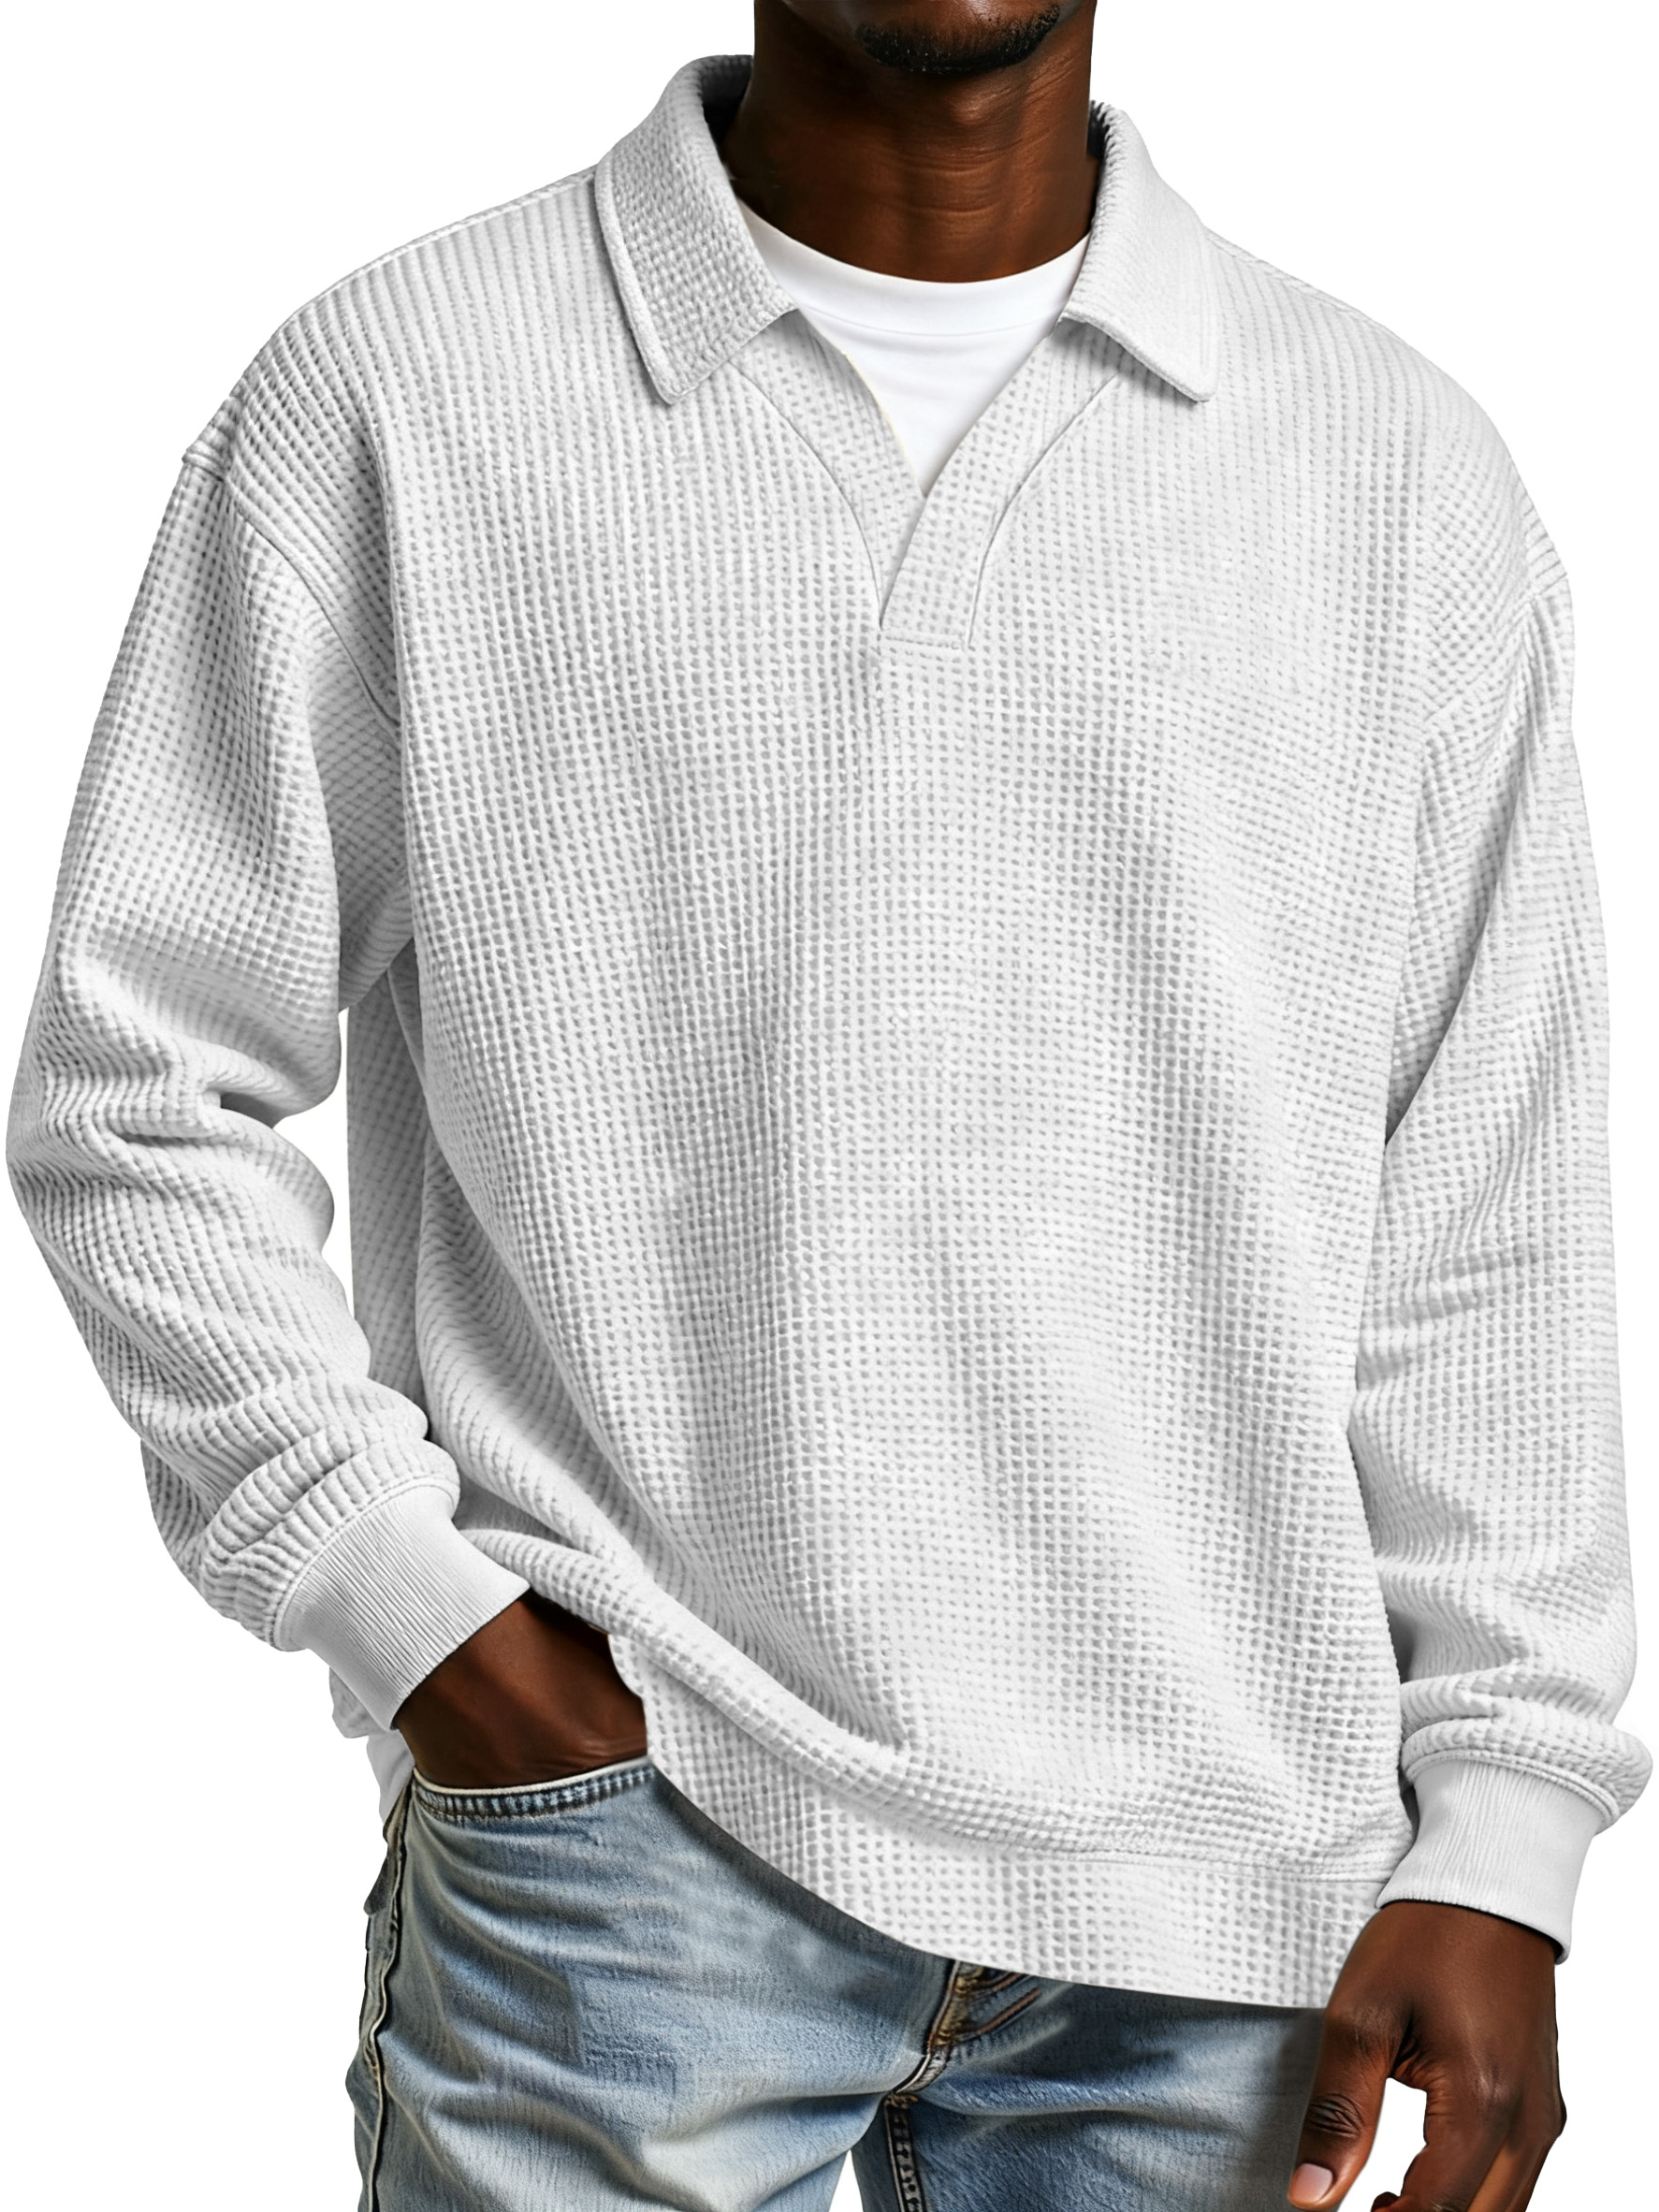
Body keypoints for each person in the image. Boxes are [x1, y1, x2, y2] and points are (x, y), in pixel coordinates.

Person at [7, 3, 1647, 2207]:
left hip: (1233, 1907)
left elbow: (1484, 1219)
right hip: (631, 1855)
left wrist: (1505, 1827)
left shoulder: (1392, 473)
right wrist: (425, 1629)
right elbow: (137, 1084)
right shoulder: (402, 392)